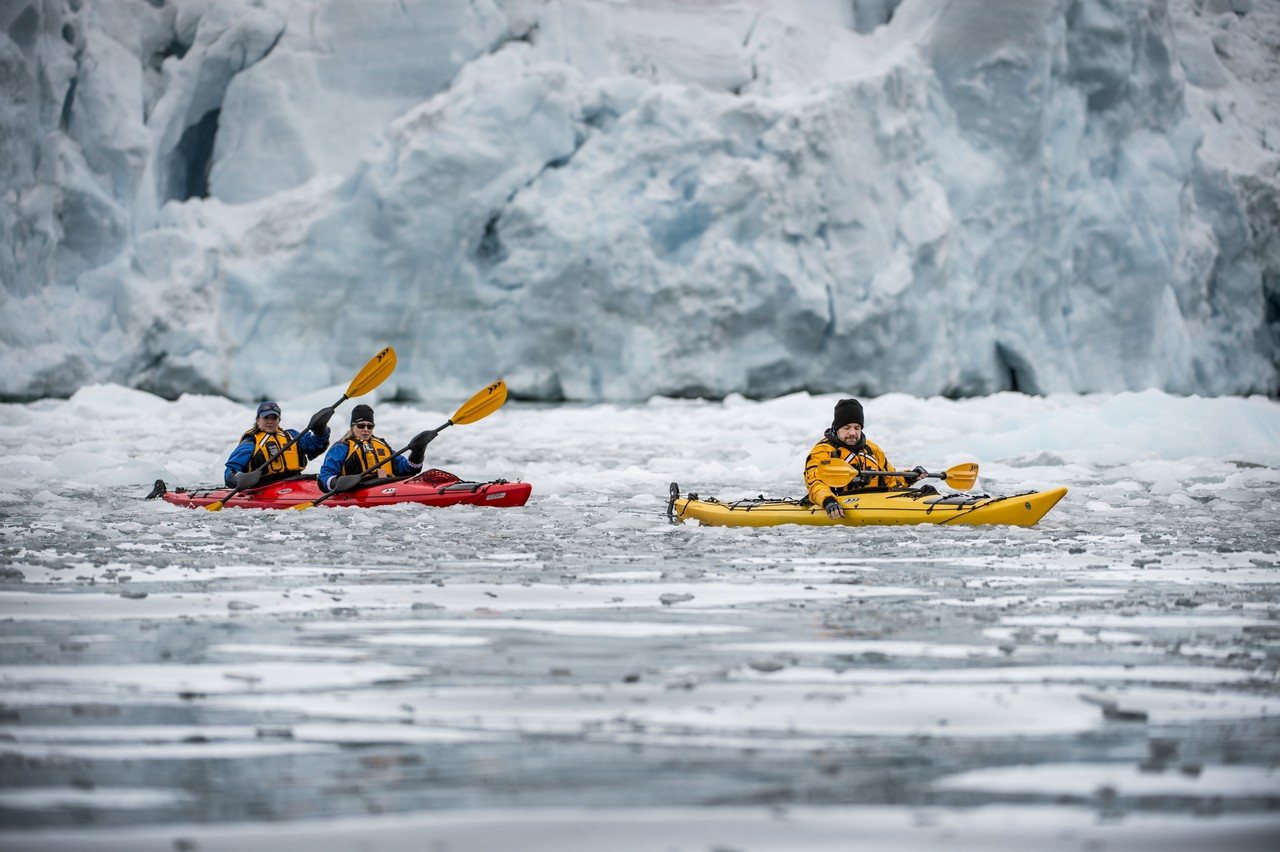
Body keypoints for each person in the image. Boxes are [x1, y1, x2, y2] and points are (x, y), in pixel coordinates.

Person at [804, 398, 925, 520]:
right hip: (835, 505)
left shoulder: (872, 449)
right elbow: (815, 483)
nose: (852, 433)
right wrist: (828, 501)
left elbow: (891, 481)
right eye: (847, 428)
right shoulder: (822, 451)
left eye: (857, 428)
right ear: (836, 428)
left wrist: (910, 477)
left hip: (873, 504)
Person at [318, 404, 425, 492]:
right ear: (352, 426)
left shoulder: (382, 445)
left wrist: (418, 451)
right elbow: (325, 477)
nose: (366, 429)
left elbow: (410, 469)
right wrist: (336, 483)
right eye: (361, 426)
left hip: (387, 487)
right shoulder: (341, 448)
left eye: (370, 426)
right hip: (356, 491)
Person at [224, 401, 331, 487]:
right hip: (266, 486)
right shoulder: (251, 442)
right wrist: (238, 478)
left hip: (296, 482)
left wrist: (321, 430)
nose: (270, 421)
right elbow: (231, 471)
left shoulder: (292, 435)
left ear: (279, 420)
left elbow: (316, 444)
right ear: (257, 420)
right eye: (266, 417)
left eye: (274, 418)